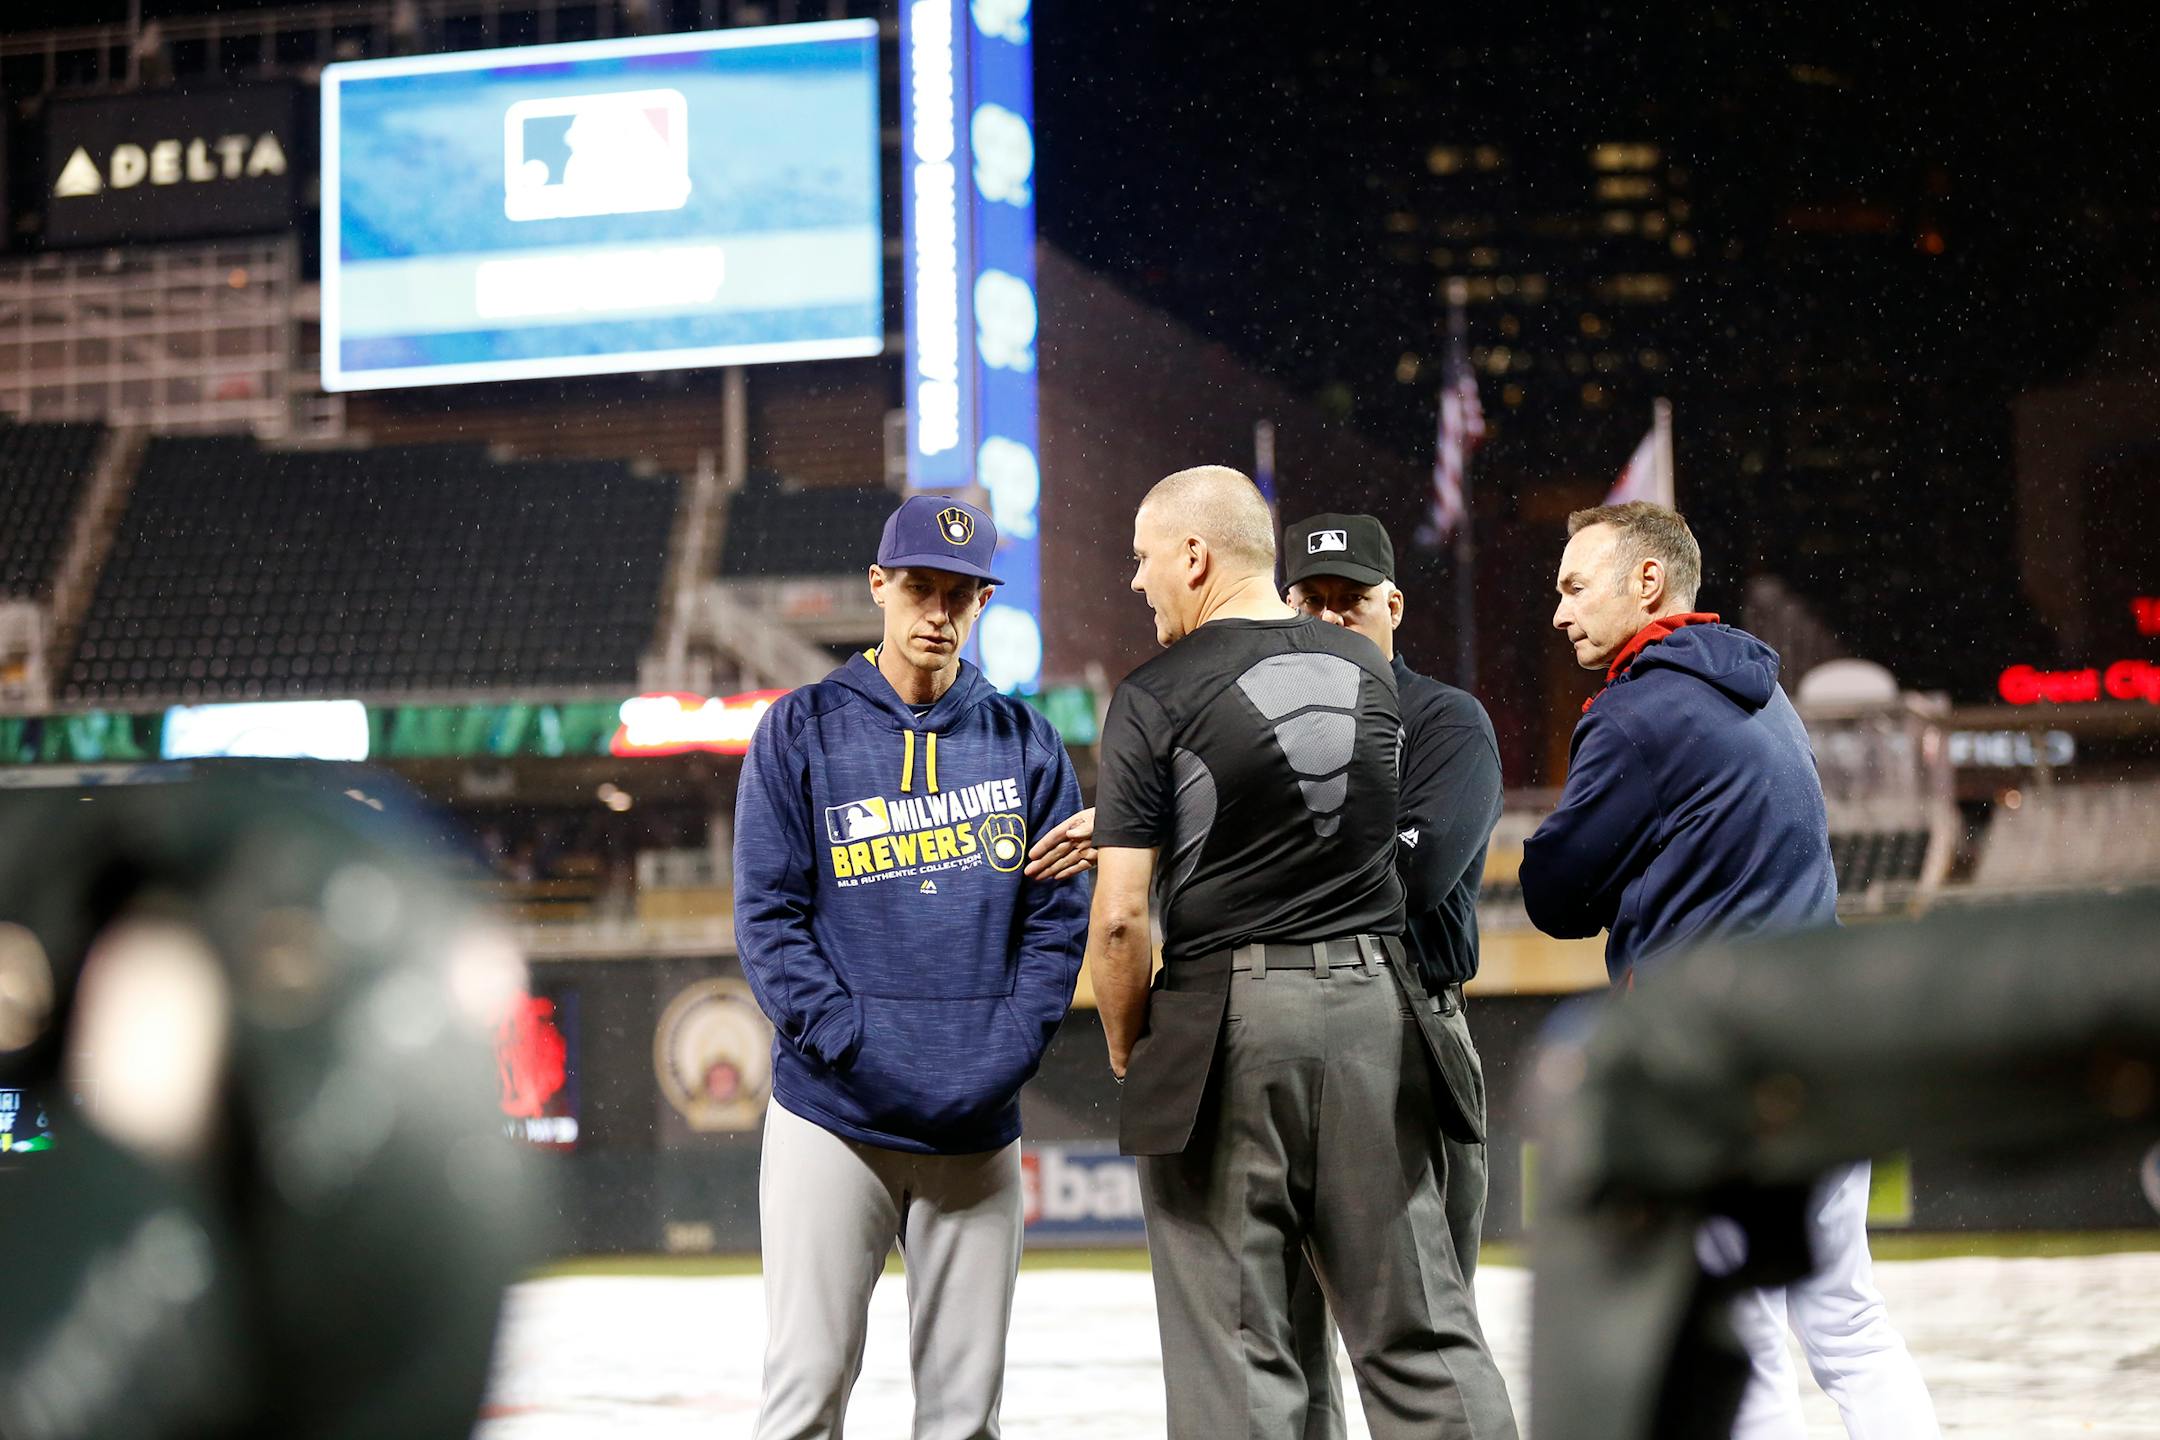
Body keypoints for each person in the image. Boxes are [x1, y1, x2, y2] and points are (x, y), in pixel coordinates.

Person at [1080, 465, 1517, 1440]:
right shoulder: (1365, 672)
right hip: (1375, 1005)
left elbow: (1118, 922)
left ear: (1194, 557)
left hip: (1228, 1019)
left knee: (1243, 1353)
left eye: (1145, 559)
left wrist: (1126, 1039)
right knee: (1423, 1335)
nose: (1139, 581)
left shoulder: (1154, 692)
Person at [1518, 500, 1939, 1440]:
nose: (1559, 611)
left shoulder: (1636, 713)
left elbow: (1553, 891)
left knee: (1736, 1330)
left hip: (1725, 1052)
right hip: (1827, 1030)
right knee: (1846, 1320)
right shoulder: (1762, 689)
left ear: (1648, 583)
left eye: (1574, 586)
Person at [732, 494, 1091, 1440]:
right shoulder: (799, 730)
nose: (939, 613)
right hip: (832, 1112)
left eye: (961, 596)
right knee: (805, 1395)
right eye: (921, 589)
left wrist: (1003, 1050)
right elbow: (768, 922)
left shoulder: (1026, 743)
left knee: (965, 1418)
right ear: (879, 586)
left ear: (981, 606)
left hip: (976, 1118)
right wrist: (853, 1043)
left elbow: (1056, 925)